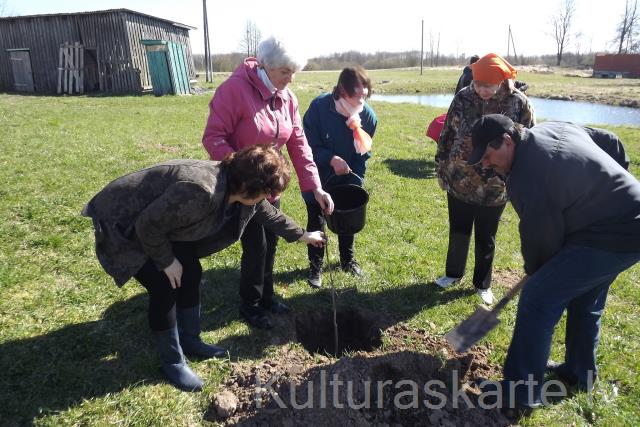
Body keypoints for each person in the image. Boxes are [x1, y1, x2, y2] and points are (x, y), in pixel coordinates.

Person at [81, 145, 326, 392]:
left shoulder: (237, 185)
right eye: (265, 192)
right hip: (123, 223)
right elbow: (147, 225)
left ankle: (191, 340)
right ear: (246, 187)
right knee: (164, 284)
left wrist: (305, 236)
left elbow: (269, 215)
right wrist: (166, 262)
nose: (268, 198)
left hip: (162, 226)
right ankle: (173, 362)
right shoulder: (201, 191)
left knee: (191, 272)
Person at [467, 114, 640, 410]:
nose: (485, 164)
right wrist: (615, 186)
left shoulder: (529, 176)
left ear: (507, 141)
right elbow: (611, 141)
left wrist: (536, 270)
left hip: (611, 232)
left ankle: (518, 393)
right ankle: (579, 373)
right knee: (585, 300)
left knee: (538, 299)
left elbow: (542, 240)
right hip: (627, 218)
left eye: (488, 156)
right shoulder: (552, 127)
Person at [201, 36, 334, 329]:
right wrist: (243, 174)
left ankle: (268, 296)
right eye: (284, 71)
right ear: (265, 66)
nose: (291, 78)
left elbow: (299, 144)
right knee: (256, 245)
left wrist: (315, 186)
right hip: (244, 189)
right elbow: (213, 137)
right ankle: (250, 305)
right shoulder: (234, 90)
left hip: (270, 187)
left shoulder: (288, 98)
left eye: (294, 71)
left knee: (271, 242)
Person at [435, 53, 536, 305]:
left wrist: (520, 177)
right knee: (458, 229)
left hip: (495, 184)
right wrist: (441, 166)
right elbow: (447, 131)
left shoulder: (518, 102)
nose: (482, 90)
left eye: (488, 86)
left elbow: (530, 141)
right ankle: (453, 273)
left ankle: (482, 283)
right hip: (460, 177)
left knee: (486, 234)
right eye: (478, 84)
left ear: (502, 80)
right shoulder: (463, 96)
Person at [302, 66, 378, 288]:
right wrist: (330, 158)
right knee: (316, 219)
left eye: (364, 95)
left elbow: (362, 155)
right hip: (318, 175)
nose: (361, 102)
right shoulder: (319, 107)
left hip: (346, 177)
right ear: (342, 91)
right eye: (357, 96)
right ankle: (315, 268)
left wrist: (356, 184)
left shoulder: (368, 118)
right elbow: (305, 146)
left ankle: (347, 260)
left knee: (347, 218)